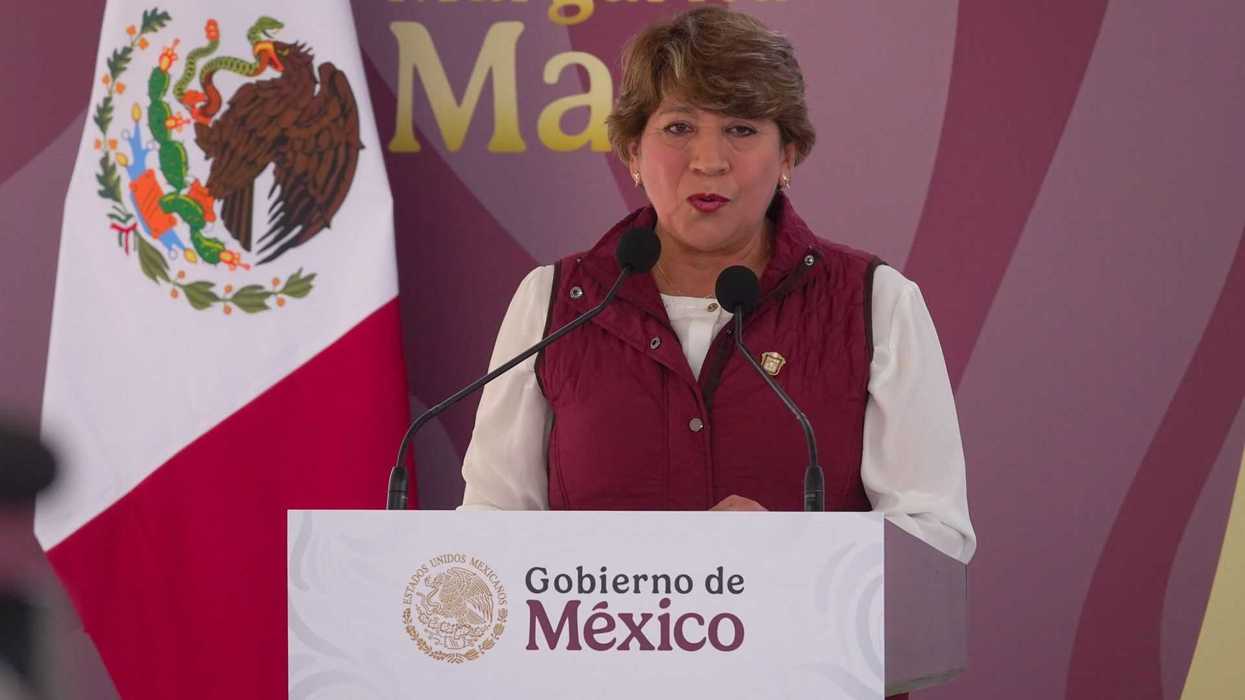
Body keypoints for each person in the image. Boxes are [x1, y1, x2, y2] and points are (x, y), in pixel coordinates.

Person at [459, 7, 975, 567]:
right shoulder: (555, 302)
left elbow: (936, 540)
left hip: (800, 653)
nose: (708, 161)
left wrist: (793, 551)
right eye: (679, 128)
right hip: (597, 648)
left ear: (789, 154)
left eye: (742, 129)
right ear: (633, 151)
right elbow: (488, 531)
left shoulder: (876, 303)